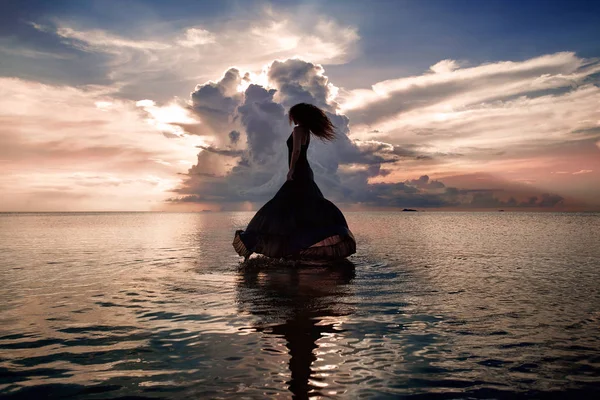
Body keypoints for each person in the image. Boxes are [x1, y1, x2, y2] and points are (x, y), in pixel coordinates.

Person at [233, 103, 356, 262]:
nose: (290, 118)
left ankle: (263, 244)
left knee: (282, 206)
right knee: (299, 208)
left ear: (297, 115)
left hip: (299, 170)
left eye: (292, 115)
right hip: (304, 171)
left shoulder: (298, 130)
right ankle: (294, 249)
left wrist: (291, 169)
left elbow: (297, 150)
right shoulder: (306, 131)